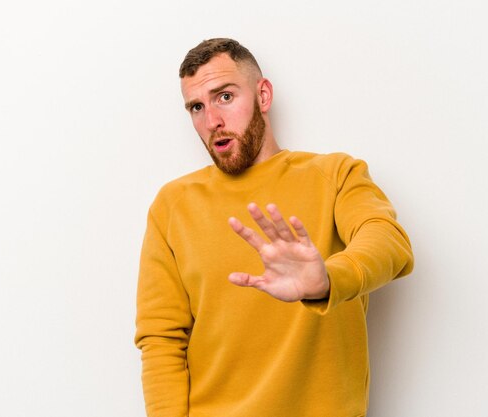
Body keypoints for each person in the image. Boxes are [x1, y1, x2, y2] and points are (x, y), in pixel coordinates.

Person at [135, 38, 414, 417]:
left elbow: (388, 241)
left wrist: (328, 280)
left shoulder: (334, 175)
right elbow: (161, 339)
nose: (211, 120)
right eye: (196, 107)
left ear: (262, 95)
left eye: (225, 97)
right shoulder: (172, 205)